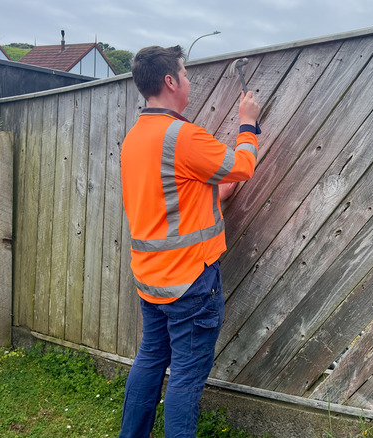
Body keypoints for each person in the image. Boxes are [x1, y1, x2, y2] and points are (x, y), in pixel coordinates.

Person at [118, 45, 261, 438]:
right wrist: (248, 124)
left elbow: (167, 198)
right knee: (185, 376)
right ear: (169, 81)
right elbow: (243, 166)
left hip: (151, 279)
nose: (189, 80)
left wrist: (215, 196)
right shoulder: (182, 136)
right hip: (190, 282)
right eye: (185, 73)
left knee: (150, 360)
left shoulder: (134, 139)